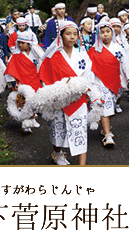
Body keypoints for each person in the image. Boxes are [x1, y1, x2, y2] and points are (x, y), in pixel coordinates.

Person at [38, 21, 92, 165]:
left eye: (75, 34)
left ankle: (82, 163)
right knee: (58, 128)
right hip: (59, 100)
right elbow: (45, 77)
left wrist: (85, 89)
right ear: (60, 35)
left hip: (78, 99)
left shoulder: (81, 54)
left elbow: (88, 75)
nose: (72, 37)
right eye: (68, 34)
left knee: (80, 129)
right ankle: (57, 153)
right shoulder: (52, 57)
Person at [87, 20, 126, 146]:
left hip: (113, 83)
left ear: (112, 33)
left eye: (108, 31)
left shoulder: (118, 48)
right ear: (98, 34)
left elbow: (125, 65)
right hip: (98, 83)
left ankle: (105, 129)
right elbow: (88, 68)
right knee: (104, 107)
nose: (105, 34)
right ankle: (108, 135)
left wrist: (128, 81)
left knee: (110, 107)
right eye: (102, 32)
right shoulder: (93, 50)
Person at [4, 30, 44, 133]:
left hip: (34, 81)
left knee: (34, 101)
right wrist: (14, 83)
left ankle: (33, 118)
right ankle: (25, 124)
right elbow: (11, 71)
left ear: (29, 43)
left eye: (23, 43)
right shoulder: (15, 56)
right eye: (19, 43)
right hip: (22, 82)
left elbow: (41, 66)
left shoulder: (35, 54)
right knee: (23, 103)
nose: (20, 45)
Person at [109, 18, 129, 112]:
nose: (116, 28)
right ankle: (110, 104)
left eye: (118, 26)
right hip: (110, 66)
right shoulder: (106, 39)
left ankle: (117, 104)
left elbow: (128, 53)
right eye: (114, 26)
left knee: (121, 85)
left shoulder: (123, 39)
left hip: (121, 66)